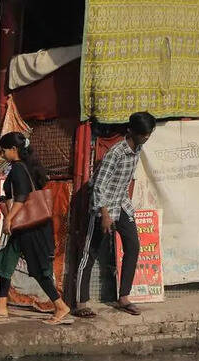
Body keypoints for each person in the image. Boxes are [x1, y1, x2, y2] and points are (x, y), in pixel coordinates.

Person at [0, 132, 71, 324]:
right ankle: (1, 306)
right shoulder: (28, 167)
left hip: (31, 228)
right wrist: (0, 200)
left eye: (3, 150)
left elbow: (21, 198)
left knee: (38, 269)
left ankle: (60, 306)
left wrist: (9, 220)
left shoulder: (18, 169)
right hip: (27, 226)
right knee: (6, 262)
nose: (1, 153)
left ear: (14, 149)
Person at [74, 111, 156, 318]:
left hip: (122, 204)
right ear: (132, 131)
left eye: (148, 134)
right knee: (89, 253)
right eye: (143, 134)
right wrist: (104, 214)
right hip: (103, 207)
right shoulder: (116, 153)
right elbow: (99, 185)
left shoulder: (138, 148)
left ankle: (124, 297)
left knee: (133, 247)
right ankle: (80, 303)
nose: (146, 137)